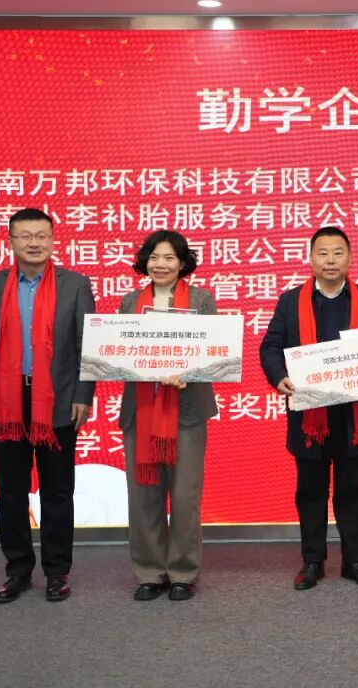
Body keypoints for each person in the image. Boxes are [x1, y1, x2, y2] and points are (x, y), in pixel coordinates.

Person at [0, 208, 94, 603]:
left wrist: (83, 395)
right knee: (11, 491)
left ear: (53, 240)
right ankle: (18, 570)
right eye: (25, 236)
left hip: (57, 401)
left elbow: (87, 347)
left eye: (41, 235)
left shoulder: (75, 285)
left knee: (57, 492)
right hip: (7, 403)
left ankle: (57, 572)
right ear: (11, 241)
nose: (34, 243)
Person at [259, 227, 358, 590]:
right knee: (311, 492)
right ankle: (312, 561)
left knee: (352, 491)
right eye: (323, 253)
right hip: (309, 416)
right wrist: (279, 377)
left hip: (353, 417)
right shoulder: (290, 302)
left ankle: (355, 562)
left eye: (338, 253)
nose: (331, 260)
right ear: (311, 258)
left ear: (350, 258)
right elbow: (270, 347)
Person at [118, 231, 218, 601]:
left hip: (187, 410)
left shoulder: (202, 300)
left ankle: (182, 573)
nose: (160, 265)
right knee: (143, 495)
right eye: (154, 258)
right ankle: (149, 573)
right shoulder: (130, 303)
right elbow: (118, 352)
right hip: (141, 410)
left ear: (182, 263)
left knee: (185, 495)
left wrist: (187, 371)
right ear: (144, 262)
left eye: (169, 258)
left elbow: (214, 350)